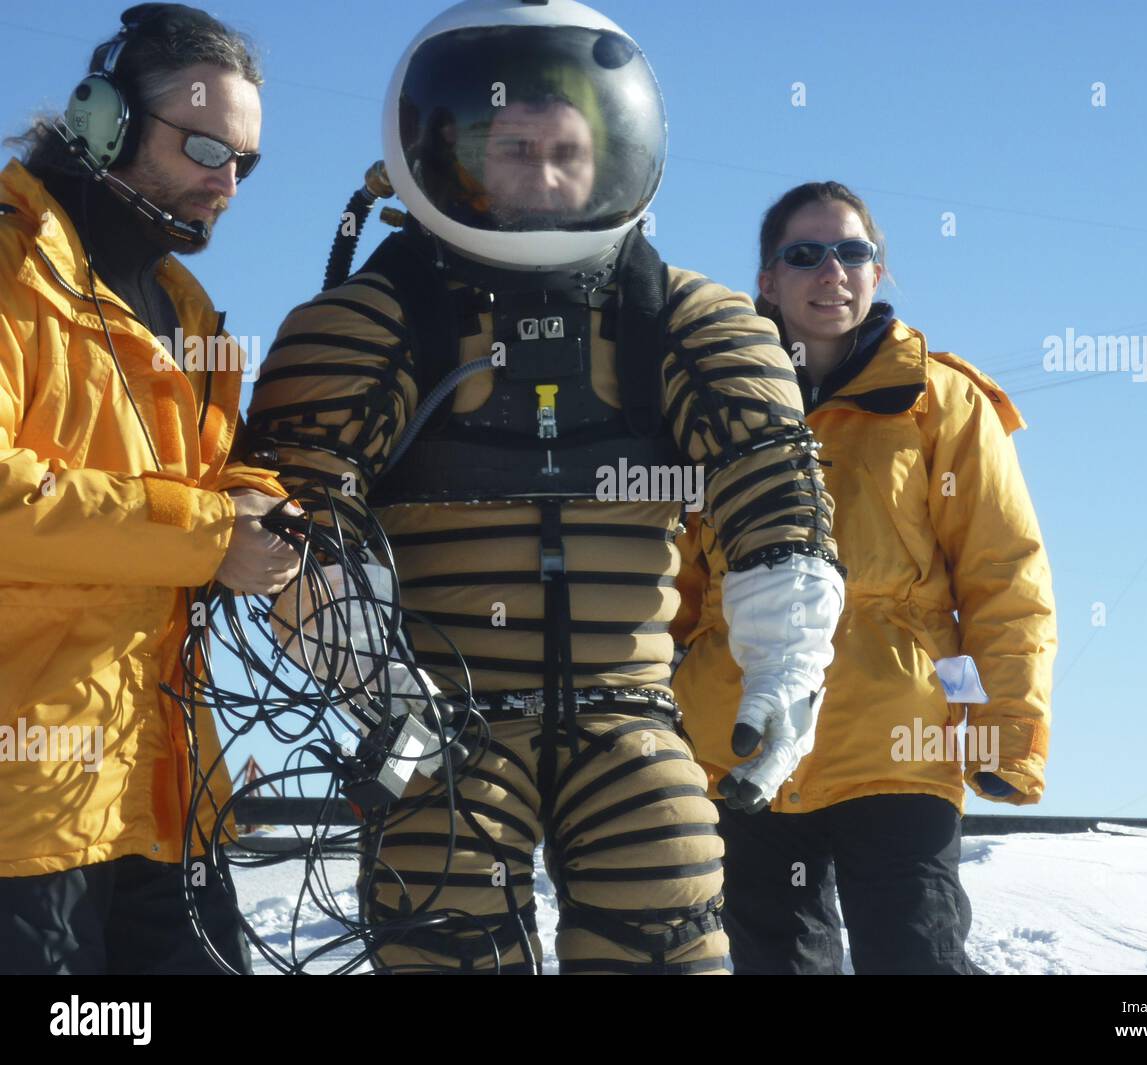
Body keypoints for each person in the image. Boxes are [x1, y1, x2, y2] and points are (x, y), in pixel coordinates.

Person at [247, 0, 844, 975]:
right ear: (450, 154)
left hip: (633, 716)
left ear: (612, 158)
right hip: (439, 717)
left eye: (564, 150)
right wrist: (371, 675)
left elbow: (767, 484)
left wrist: (785, 665)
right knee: (441, 933)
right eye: (512, 148)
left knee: (669, 918)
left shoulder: (691, 321)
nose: (542, 173)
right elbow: (302, 513)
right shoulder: (361, 324)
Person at [672, 181, 1057, 975]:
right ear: (768, 279)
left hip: (900, 745)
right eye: (805, 254)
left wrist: (1007, 729)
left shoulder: (941, 400)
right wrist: (654, 721)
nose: (832, 271)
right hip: (743, 746)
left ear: (877, 272)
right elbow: (670, 590)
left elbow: (1004, 574)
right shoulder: (711, 411)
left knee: (915, 957)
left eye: (853, 252)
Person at [0, 4, 296, 975]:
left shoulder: (187, 308)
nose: (227, 182)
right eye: (206, 146)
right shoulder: (10, 269)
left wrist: (259, 499)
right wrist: (214, 534)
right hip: (25, 817)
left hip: (167, 790)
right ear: (104, 122)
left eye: (245, 164)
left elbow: (207, 474)